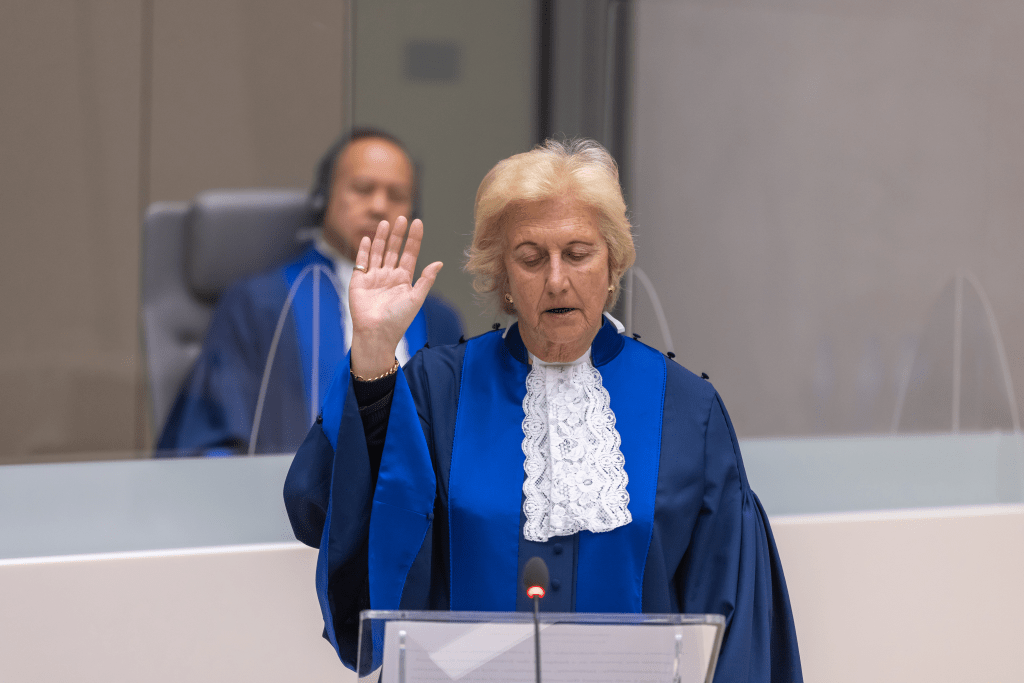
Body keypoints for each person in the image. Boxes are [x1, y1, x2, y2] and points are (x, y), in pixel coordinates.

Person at [283, 139, 802, 682]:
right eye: (531, 258)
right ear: (503, 277)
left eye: (578, 254)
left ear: (612, 264)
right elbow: (320, 509)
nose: (556, 279)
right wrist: (370, 357)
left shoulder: (688, 412)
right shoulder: (438, 390)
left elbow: (737, 625)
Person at [158, 129, 464, 456]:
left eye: (397, 195)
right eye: (363, 189)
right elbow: (207, 448)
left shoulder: (438, 321)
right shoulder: (259, 305)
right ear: (323, 197)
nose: (379, 206)